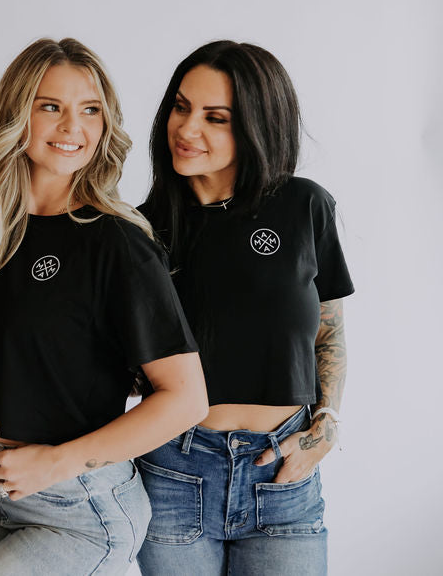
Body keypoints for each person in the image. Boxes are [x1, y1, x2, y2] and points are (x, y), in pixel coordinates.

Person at [0, 38, 209, 575]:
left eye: (90, 110)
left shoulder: (117, 243)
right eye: (50, 106)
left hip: (79, 506)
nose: (71, 127)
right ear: (17, 115)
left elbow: (186, 399)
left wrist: (55, 462)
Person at [135, 40, 353, 576]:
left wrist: (325, 424)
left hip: (283, 475)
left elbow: (328, 332)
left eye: (216, 117)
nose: (187, 129)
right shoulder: (140, 231)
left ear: (259, 125)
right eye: (181, 107)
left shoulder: (305, 206)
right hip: (173, 473)